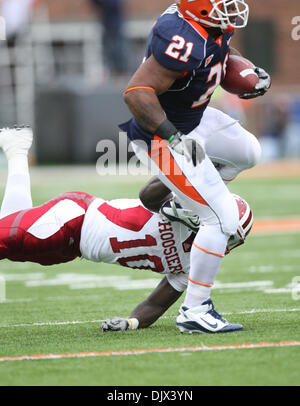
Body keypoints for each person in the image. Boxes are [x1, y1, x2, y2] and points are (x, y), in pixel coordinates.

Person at [119, 0, 271, 333]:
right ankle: (195, 310)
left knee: (248, 152)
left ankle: (173, 196)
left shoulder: (209, 25)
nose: (234, 8)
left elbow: (218, 54)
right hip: (162, 135)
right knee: (221, 218)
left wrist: (244, 71)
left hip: (194, 117)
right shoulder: (181, 38)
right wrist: (174, 139)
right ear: (202, 6)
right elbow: (137, 93)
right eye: (226, 2)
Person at [0, 126, 253, 333]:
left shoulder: (196, 265)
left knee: (10, 232)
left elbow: (156, 304)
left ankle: (16, 148)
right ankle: (16, 147)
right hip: (73, 218)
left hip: (72, 250)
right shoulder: (187, 205)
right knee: (5, 239)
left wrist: (130, 323)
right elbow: (147, 196)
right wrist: (183, 179)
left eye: (232, 238)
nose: (225, 240)